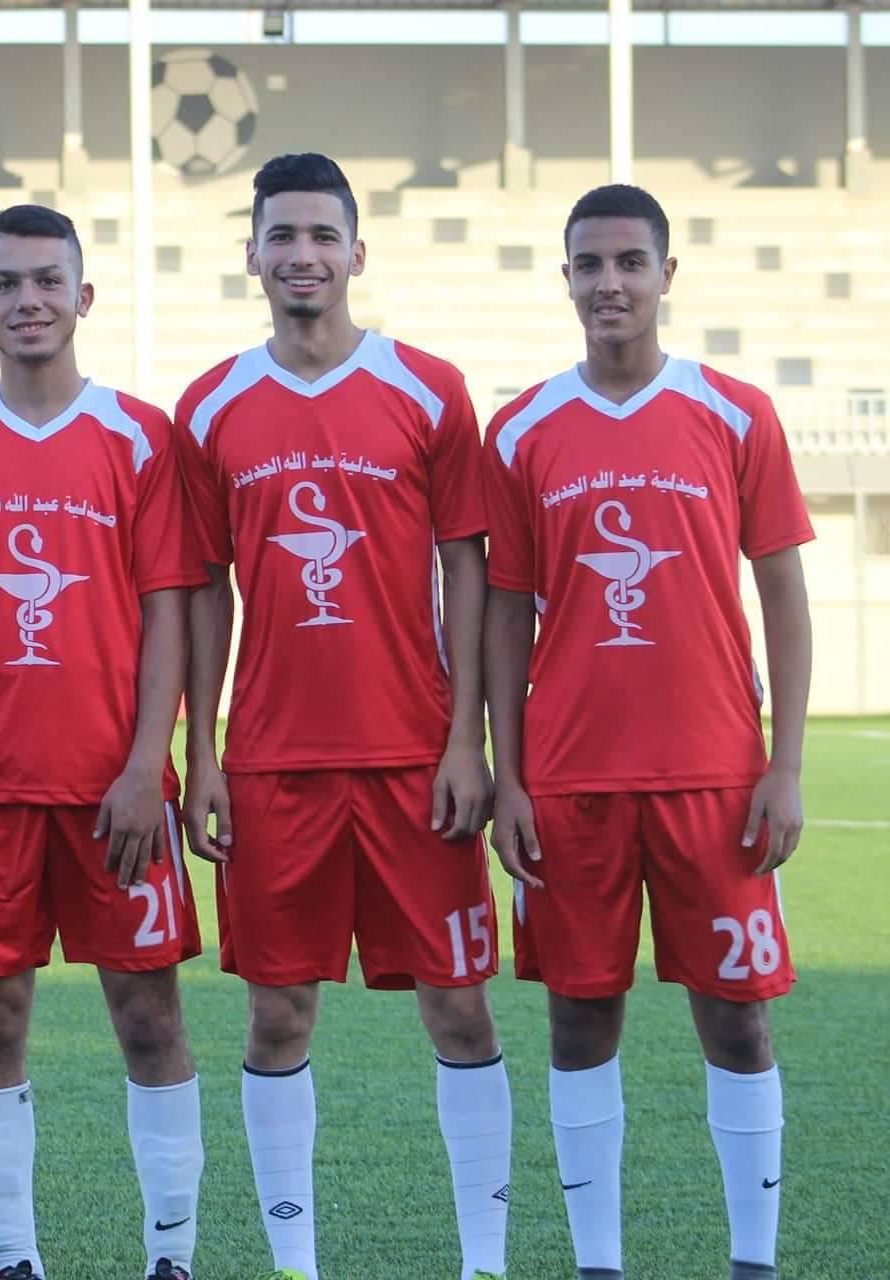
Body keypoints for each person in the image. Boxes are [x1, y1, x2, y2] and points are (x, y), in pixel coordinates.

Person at [176, 152, 509, 1280]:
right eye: (283, 236)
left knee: (462, 1012)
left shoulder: (428, 388)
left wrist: (468, 738)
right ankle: (295, 1265)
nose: (302, 254)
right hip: (273, 765)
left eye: (323, 235)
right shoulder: (211, 405)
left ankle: (486, 1261)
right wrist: (204, 750)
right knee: (277, 1022)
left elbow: (469, 569)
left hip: (416, 758)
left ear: (356, 253)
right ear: (255, 254)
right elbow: (200, 592)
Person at [483, 183, 812, 1280]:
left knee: (739, 1023)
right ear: (565, 277)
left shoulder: (736, 413)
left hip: (715, 777)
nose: (609, 282)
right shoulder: (523, 428)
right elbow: (501, 610)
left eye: (630, 260)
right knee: (580, 1024)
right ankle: (599, 1263)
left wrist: (786, 763)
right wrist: (508, 774)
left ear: (667, 275)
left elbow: (783, 594)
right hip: (572, 782)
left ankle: (752, 1260)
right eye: (589, 263)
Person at [0, 204, 206, 1280]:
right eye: (8, 283)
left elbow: (169, 604)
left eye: (47, 281)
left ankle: (172, 1254)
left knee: (151, 1013)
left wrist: (139, 764)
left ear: (84, 296)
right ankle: (16, 1258)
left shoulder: (139, 434)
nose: (29, 300)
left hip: (115, 789)